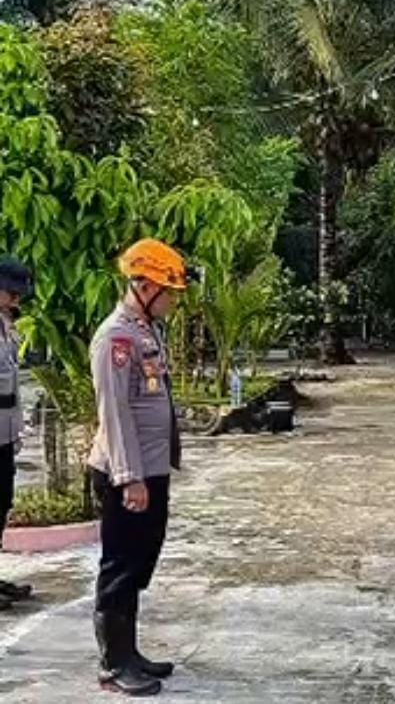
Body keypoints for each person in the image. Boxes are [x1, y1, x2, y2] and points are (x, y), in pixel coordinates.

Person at [88, 239, 193, 696]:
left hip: (150, 470)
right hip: (126, 473)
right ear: (146, 285)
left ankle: (129, 653)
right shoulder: (116, 337)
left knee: (139, 563)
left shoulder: (145, 331)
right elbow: (115, 413)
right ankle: (113, 665)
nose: (173, 299)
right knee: (120, 566)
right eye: (169, 291)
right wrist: (129, 478)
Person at [0, 256, 34, 610]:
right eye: (11, 293)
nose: (16, 301)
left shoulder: (6, 326)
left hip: (4, 433)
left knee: (2, 505)